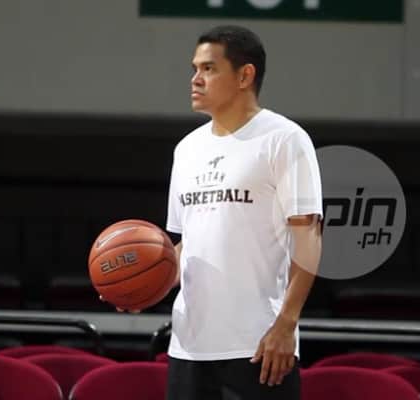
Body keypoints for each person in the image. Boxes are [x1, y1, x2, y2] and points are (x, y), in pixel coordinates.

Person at [164, 25, 323, 400]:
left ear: (244, 75)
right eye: (194, 69)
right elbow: (189, 244)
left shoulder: (284, 139)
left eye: (208, 68)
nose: (195, 79)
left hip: (259, 345)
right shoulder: (186, 149)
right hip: (188, 346)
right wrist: (143, 283)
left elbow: (309, 239)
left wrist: (286, 324)